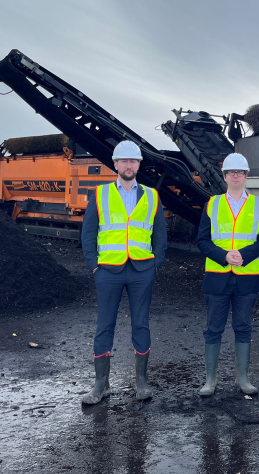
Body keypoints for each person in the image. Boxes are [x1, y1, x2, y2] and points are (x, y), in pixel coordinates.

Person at [80, 140, 167, 404]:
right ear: (115, 164)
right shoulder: (101, 194)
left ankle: (141, 383)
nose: (128, 165)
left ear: (139, 165)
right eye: (124, 161)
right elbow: (88, 232)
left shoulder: (152, 196)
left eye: (133, 161)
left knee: (141, 324)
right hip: (108, 270)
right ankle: (100, 385)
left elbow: (160, 235)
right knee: (104, 325)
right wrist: (94, 265)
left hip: (142, 270)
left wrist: (155, 265)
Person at [196, 153, 259, 396]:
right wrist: (223, 256)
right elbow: (202, 240)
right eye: (231, 172)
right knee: (213, 328)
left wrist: (244, 254)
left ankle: (243, 379)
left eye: (240, 172)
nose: (236, 175)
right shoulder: (212, 203)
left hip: (247, 276)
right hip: (217, 274)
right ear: (225, 176)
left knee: (243, 326)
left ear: (246, 176)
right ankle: (210, 380)